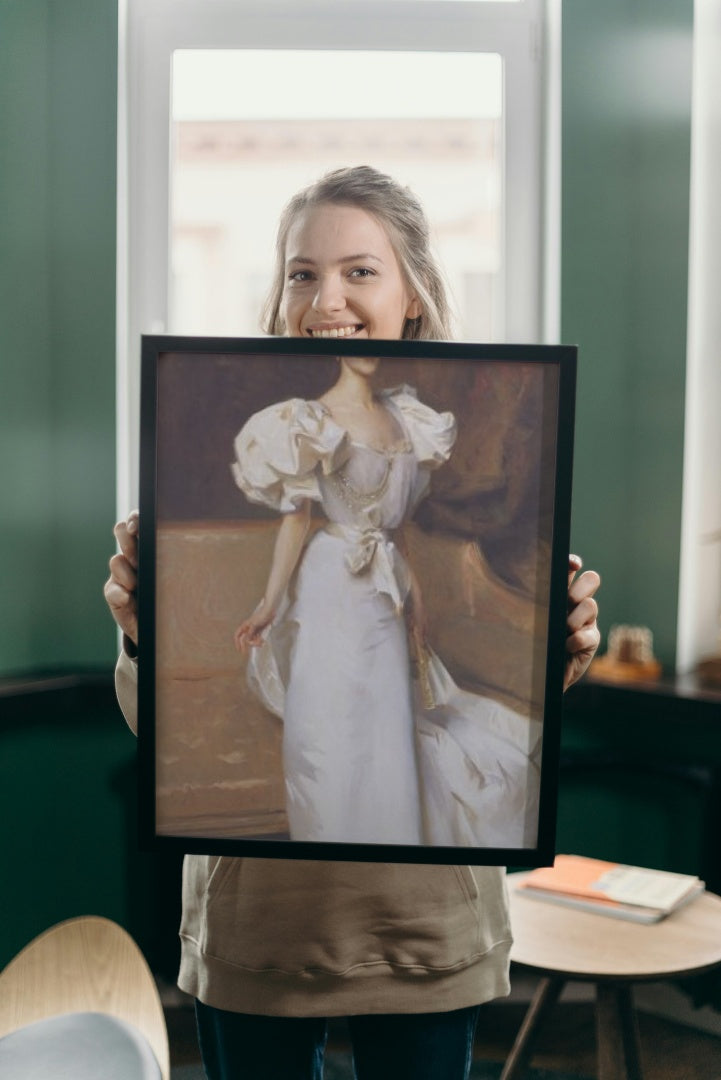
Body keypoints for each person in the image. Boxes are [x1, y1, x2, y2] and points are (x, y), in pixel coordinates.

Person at [105, 166, 601, 1080]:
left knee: (393, 737)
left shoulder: (417, 421)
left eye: (359, 271)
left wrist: (554, 653)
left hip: (423, 927)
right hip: (261, 929)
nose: (325, 297)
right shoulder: (290, 421)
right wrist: (149, 632)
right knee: (327, 735)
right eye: (301, 272)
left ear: (412, 293)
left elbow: (405, 539)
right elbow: (161, 724)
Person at [231, 353, 541, 849]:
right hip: (329, 584)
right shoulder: (309, 420)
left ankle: (392, 852)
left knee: (385, 724)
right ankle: (329, 853)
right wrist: (269, 603)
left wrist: (414, 584)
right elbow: (295, 518)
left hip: (385, 587)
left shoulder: (406, 416)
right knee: (327, 727)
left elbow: (399, 530)